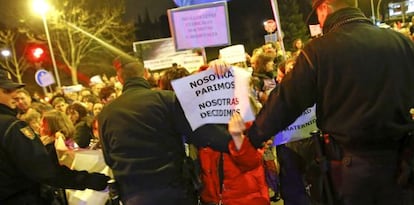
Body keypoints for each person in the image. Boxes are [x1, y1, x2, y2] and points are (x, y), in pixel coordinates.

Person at [213, 0, 414, 204]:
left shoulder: (319, 51)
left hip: (351, 171)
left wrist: (251, 140)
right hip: (402, 167)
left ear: (324, 8)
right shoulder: (402, 43)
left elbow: (285, 103)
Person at [98, 55, 232, 205]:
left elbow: (109, 158)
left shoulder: (106, 114)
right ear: (146, 73)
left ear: (120, 78)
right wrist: (238, 142)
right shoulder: (167, 100)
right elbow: (204, 134)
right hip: (175, 193)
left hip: (134, 196)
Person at [0, 69, 110, 205]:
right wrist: (89, 180)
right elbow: (43, 169)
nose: (15, 95)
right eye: (6, 91)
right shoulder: (12, 127)